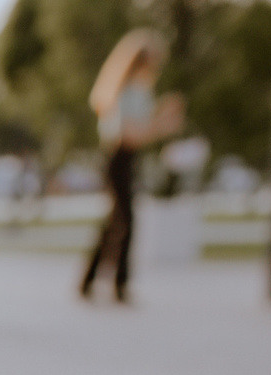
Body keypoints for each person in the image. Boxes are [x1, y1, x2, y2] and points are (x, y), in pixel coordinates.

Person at [80, 30, 185, 304]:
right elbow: (130, 133)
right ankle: (119, 284)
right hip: (118, 158)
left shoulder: (141, 91)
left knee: (115, 221)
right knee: (126, 220)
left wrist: (163, 115)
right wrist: (161, 125)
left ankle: (88, 280)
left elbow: (143, 127)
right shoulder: (123, 91)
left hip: (130, 159)